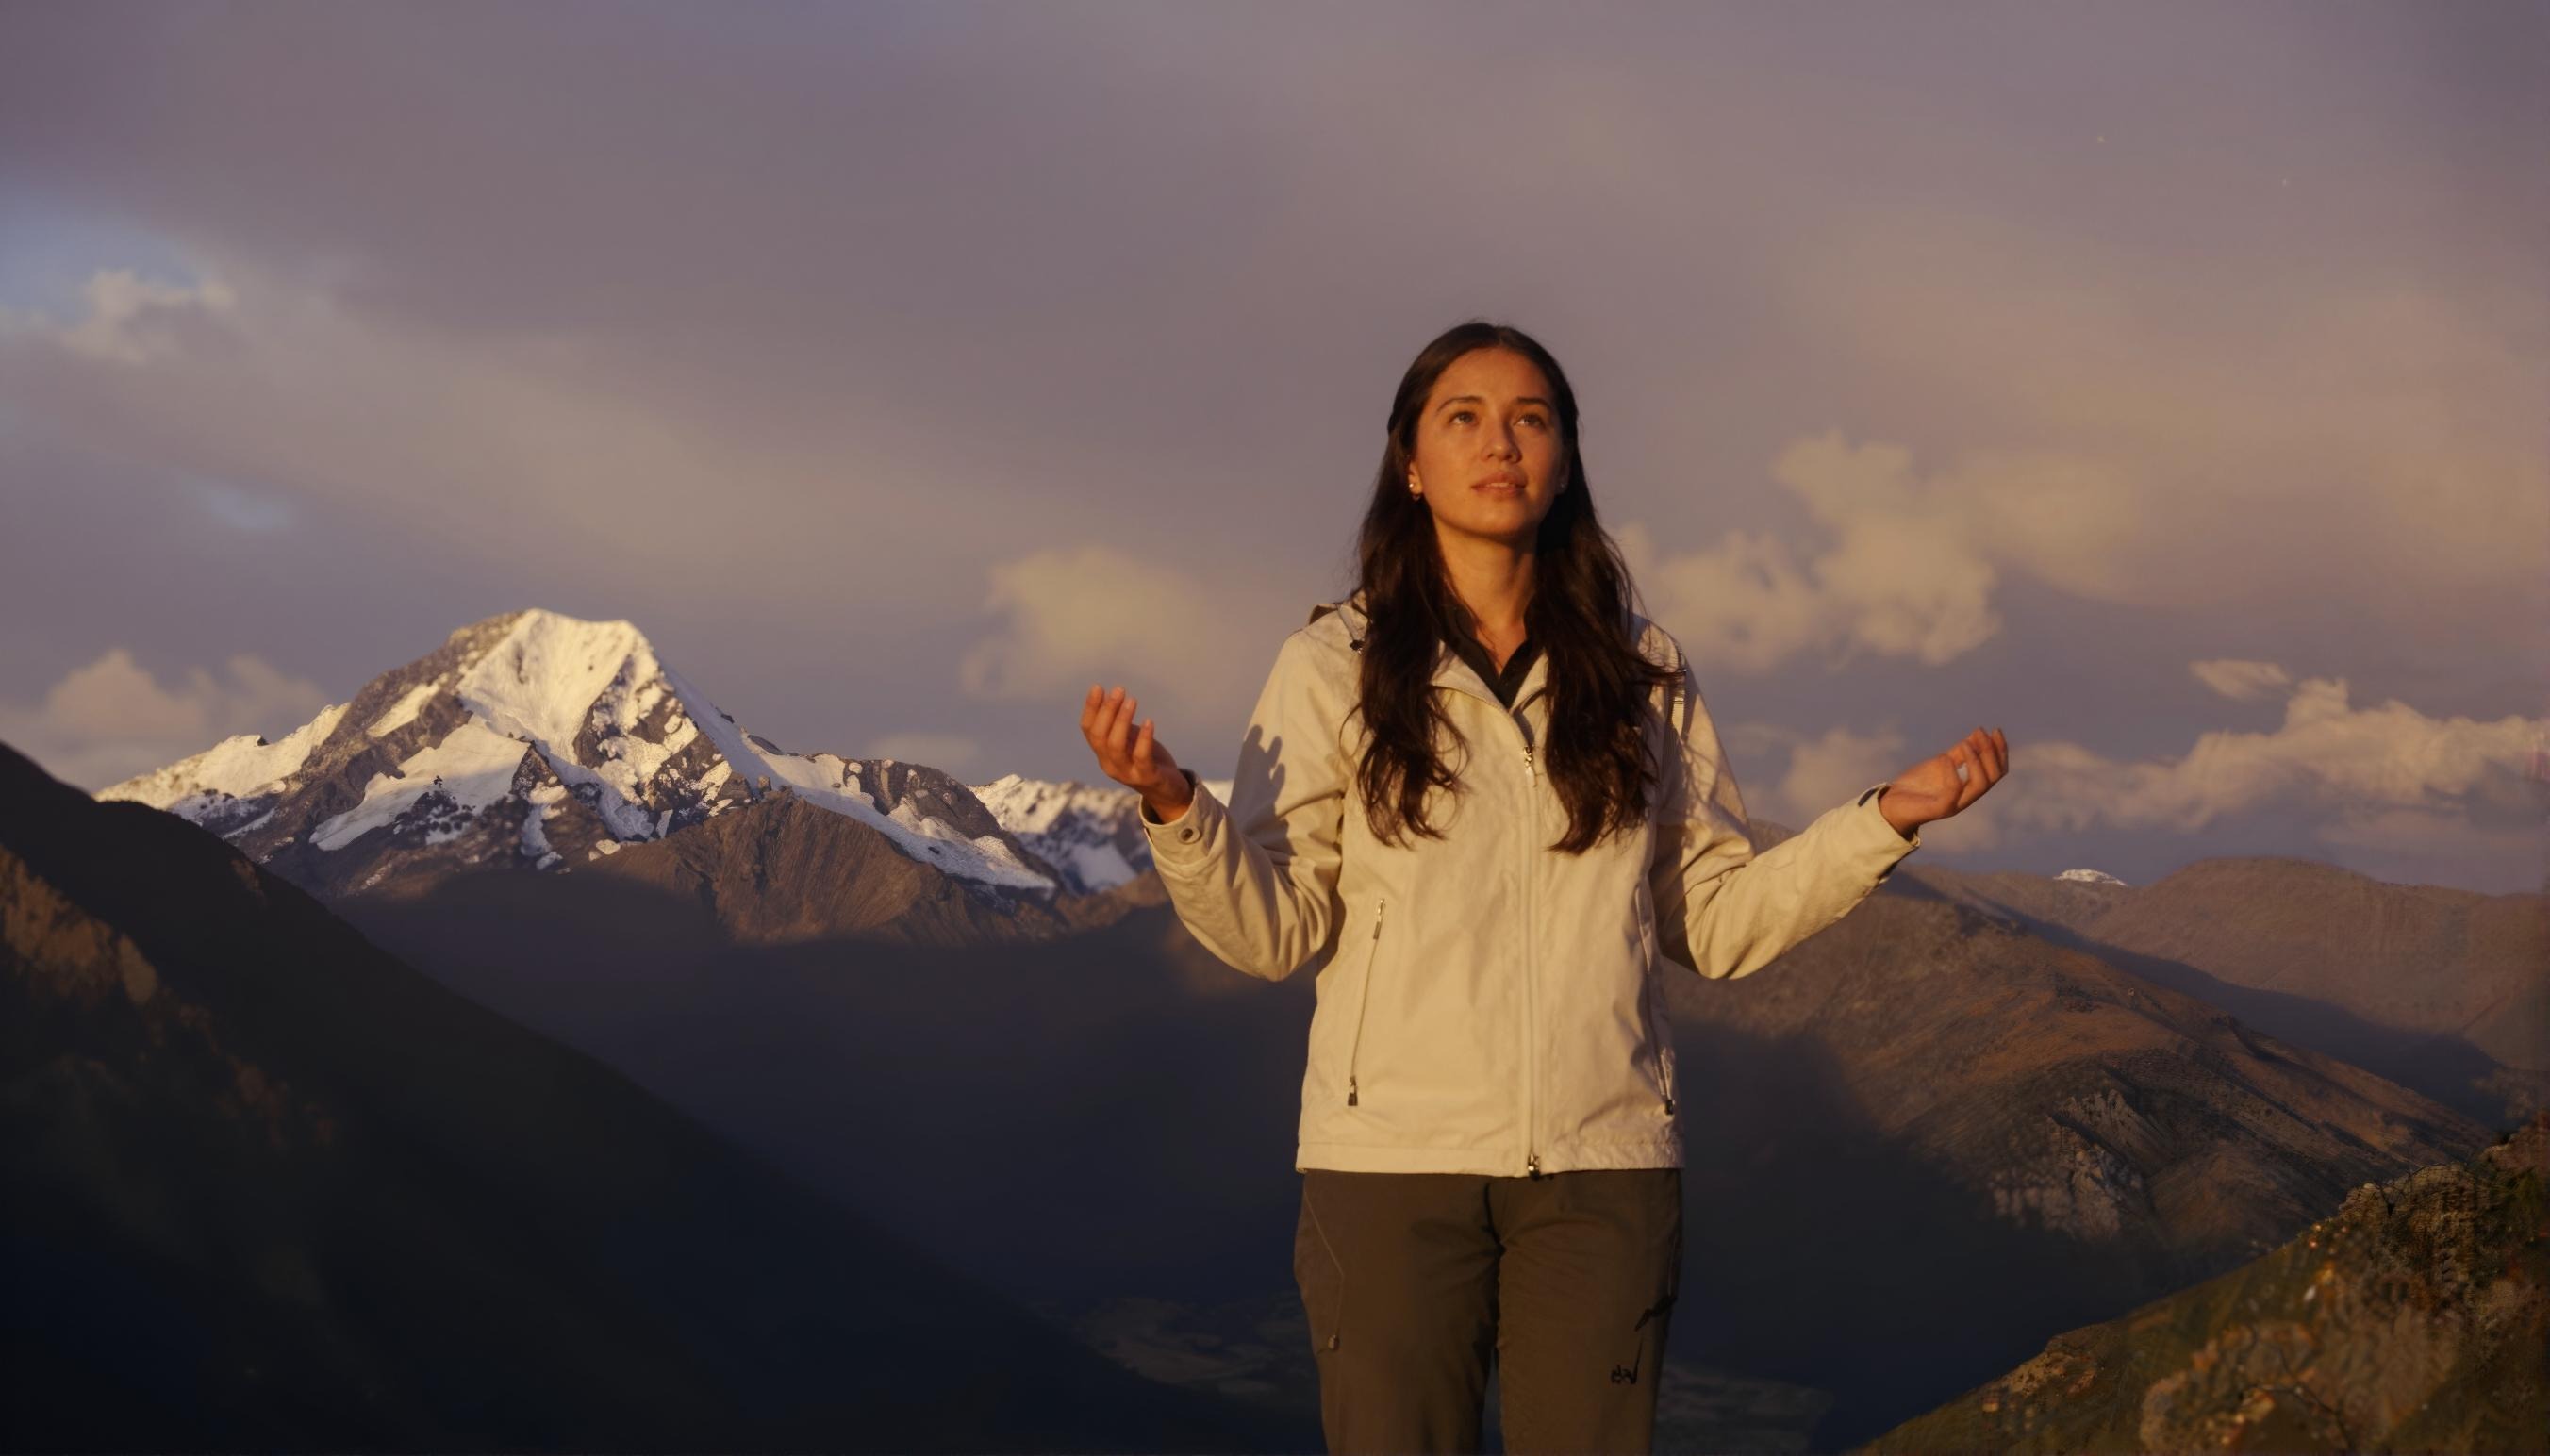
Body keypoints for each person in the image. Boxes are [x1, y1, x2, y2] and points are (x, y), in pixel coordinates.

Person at [1077, 320, 2010, 1454]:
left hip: (1601, 1173)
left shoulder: (1637, 670)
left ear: (1565, 457)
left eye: (1531, 418)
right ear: (1410, 465)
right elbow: (1276, 930)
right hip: (1387, 1174)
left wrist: (1883, 822)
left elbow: (1709, 923)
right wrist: (1176, 805)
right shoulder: (1331, 666)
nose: (1499, 442)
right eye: (1461, 417)